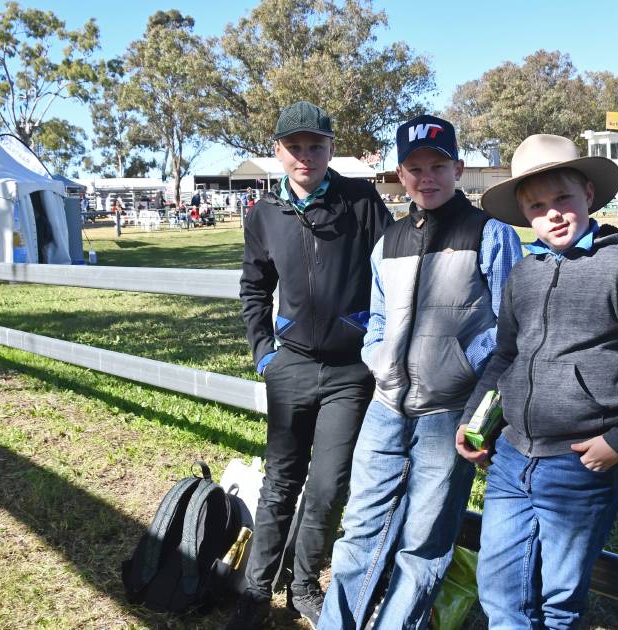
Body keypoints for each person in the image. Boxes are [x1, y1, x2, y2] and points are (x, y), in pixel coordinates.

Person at [454, 134, 618, 628]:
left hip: (580, 465)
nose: (553, 214)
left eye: (562, 198)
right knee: (499, 590)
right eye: (538, 206)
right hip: (512, 458)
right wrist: (474, 421)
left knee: (560, 599)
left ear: (587, 192)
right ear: (525, 214)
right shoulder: (524, 272)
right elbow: (505, 357)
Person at [319, 115, 522, 629]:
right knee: (357, 534)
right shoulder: (387, 242)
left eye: (437, 166)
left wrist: (481, 412)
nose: (426, 177)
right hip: (385, 408)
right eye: (414, 168)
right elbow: (380, 316)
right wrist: (378, 357)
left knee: (424, 544)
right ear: (400, 175)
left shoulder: (490, 235)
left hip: (449, 414)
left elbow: (510, 334)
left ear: (458, 168)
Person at [229, 101, 392, 630]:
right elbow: (255, 287)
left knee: (327, 485)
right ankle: (255, 589)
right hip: (290, 368)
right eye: (295, 147)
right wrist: (264, 353)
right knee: (280, 481)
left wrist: (373, 338)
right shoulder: (264, 213)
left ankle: (302, 585)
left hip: (350, 373)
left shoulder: (361, 201)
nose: (306, 156)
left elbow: (394, 267)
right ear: (278, 152)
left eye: (316, 146)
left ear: (331, 149)